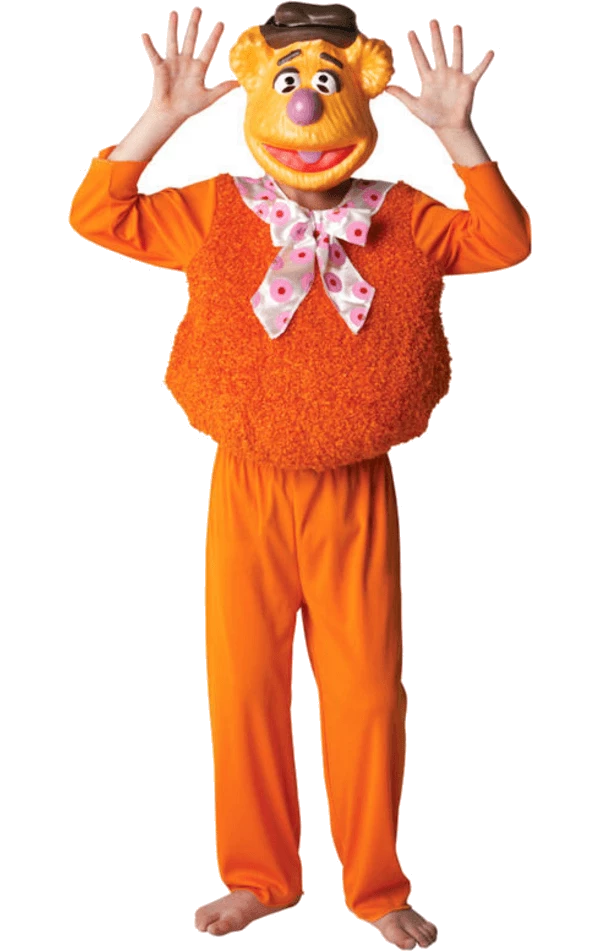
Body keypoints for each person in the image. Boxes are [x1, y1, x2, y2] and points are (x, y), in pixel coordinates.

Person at [69, 6, 531, 948]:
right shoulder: (216, 206)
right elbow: (97, 215)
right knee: (243, 687)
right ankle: (259, 876)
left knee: (365, 695)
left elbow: (506, 240)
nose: (309, 111)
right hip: (248, 482)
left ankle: (376, 884)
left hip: (355, 487)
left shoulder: (405, 214)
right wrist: (162, 120)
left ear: (361, 93)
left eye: (327, 85)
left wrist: (457, 134)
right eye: (289, 86)